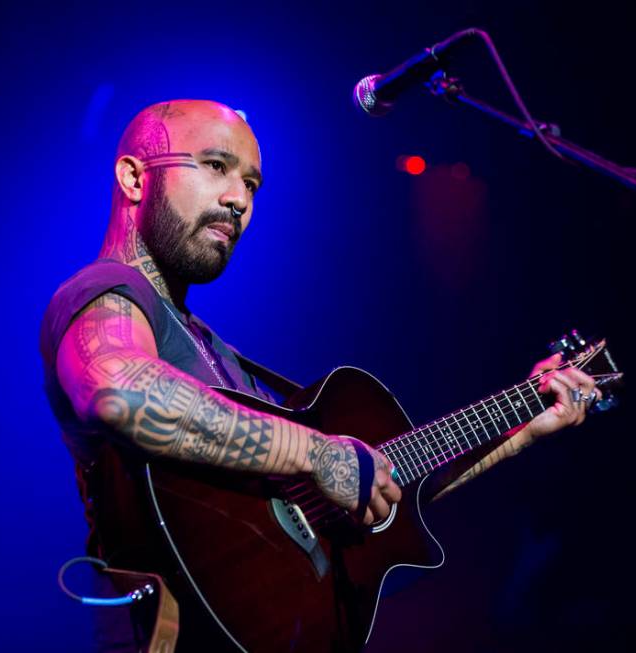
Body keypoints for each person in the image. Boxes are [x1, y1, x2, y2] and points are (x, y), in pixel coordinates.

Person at [39, 99, 599, 651]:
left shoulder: (214, 352)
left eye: (252, 184)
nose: (239, 200)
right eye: (215, 166)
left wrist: (524, 426)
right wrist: (317, 453)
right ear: (135, 178)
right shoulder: (104, 292)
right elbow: (116, 391)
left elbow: (375, 479)